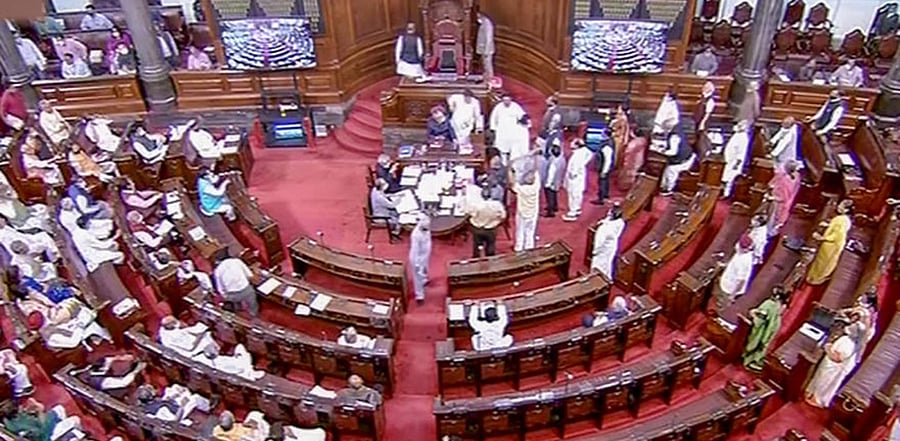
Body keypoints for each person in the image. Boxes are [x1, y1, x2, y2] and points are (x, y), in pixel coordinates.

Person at [804, 320, 866, 408]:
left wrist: (828, 348)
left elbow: (838, 358)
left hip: (833, 367)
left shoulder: (850, 344)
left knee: (825, 382)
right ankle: (812, 393)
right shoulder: (845, 338)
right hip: (828, 363)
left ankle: (818, 399)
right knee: (819, 378)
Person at [806, 199, 853, 285]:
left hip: (832, 245)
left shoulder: (843, 220)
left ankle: (817, 279)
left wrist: (822, 238)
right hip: (828, 244)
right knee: (819, 260)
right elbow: (835, 229)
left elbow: (837, 236)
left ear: (846, 210)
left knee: (823, 263)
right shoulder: (840, 218)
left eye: (841, 206)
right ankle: (813, 276)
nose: (839, 206)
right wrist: (828, 225)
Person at [742, 287, 786, 371]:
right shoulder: (776, 305)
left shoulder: (769, 304)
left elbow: (760, 319)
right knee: (763, 343)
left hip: (764, 329)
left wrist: (752, 313)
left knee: (759, 342)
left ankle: (751, 361)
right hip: (768, 329)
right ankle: (754, 361)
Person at [1, 398, 84, 441]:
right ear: (17, 409)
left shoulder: (7, 420)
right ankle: (78, 435)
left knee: (59, 408)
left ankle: (65, 431)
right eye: (20, 406)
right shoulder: (20, 428)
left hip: (42, 430)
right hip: (47, 437)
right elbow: (42, 433)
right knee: (75, 419)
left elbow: (27, 419)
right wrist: (40, 412)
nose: (22, 407)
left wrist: (30, 411)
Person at [213, 250, 259, 316]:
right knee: (252, 302)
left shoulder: (217, 270)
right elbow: (250, 276)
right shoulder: (237, 261)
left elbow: (220, 288)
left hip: (233, 295)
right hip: (246, 290)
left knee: (236, 303)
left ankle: (238, 311)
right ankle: (253, 314)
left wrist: (226, 297)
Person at [135, 383, 210, 424]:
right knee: (195, 398)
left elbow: (163, 402)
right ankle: (208, 407)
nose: (155, 390)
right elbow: (175, 420)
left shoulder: (148, 403)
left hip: (172, 406)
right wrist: (183, 405)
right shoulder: (159, 410)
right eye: (152, 390)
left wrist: (173, 397)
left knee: (175, 387)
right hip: (179, 413)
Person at [715, 234, 755, 309]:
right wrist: (725, 265)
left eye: (739, 245)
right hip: (727, 280)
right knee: (719, 297)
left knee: (723, 303)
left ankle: (719, 310)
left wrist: (732, 295)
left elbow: (742, 280)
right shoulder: (740, 252)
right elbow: (734, 262)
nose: (737, 245)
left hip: (730, 288)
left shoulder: (745, 261)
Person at [465, 186, 506, 257]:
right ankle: (490, 260)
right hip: (491, 229)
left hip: (478, 228)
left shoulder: (476, 205)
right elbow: (503, 216)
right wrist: (497, 221)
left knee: (477, 245)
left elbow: (470, 214)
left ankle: (476, 259)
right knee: (491, 244)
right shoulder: (497, 205)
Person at [590, 203, 627, 279]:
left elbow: (599, 242)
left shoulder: (604, 229)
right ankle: (608, 277)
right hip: (612, 246)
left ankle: (597, 279)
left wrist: (595, 251)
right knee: (608, 262)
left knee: (598, 265)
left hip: (602, 249)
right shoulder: (621, 222)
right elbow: (610, 221)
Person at [659, 121, 695, 195]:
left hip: (683, 161)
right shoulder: (677, 130)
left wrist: (660, 151)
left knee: (670, 170)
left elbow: (673, 152)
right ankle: (663, 186)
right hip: (687, 156)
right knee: (666, 168)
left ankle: (668, 189)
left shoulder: (674, 137)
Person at [510, 167, 540, 252]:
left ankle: (519, 247)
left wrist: (512, 172)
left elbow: (513, 184)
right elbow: (537, 176)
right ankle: (529, 246)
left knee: (520, 230)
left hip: (522, 213)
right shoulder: (536, 187)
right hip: (533, 212)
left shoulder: (521, 189)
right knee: (530, 230)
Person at [77, 354, 144, 393]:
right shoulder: (98, 381)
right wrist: (137, 370)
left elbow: (107, 360)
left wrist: (121, 358)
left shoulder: (91, 366)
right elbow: (124, 383)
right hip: (106, 388)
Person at [767, 160, 801, 235]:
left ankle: (771, 231)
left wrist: (772, 197)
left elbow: (782, 197)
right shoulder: (797, 177)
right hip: (785, 201)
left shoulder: (785, 180)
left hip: (779, 203)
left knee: (773, 219)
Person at [562, 139, 592, 222]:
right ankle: (577, 208)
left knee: (573, 194)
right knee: (578, 194)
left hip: (574, 177)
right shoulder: (584, 151)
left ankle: (573, 212)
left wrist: (573, 174)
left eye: (573, 143)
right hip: (578, 176)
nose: (570, 144)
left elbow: (575, 167)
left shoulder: (577, 155)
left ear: (577, 145)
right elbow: (590, 154)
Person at [489, 94, 526, 164]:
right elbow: (493, 118)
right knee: (502, 147)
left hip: (512, 131)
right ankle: (503, 162)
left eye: (508, 100)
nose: (506, 102)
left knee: (513, 148)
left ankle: (512, 162)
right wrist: (493, 128)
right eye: (504, 101)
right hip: (501, 131)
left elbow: (522, 116)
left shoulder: (516, 107)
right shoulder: (498, 107)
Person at [199, 343, 264, 380]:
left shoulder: (214, 361)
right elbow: (240, 366)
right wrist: (240, 356)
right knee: (241, 349)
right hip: (239, 369)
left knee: (239, 347)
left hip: (234, 367)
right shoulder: (224, 360)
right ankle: (250, 372)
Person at [721, 120, 750, 198]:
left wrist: (737, 163)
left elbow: (741, 152)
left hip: (734, 162)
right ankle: (723, 192)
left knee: (731, 178)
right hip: (729, 160)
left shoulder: (743, 137)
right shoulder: (737, 134)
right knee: (725, 177)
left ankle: (726, 194)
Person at [408, 215, 432, 305]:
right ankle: (419, 295)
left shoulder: (426, 228)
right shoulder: (416, 235)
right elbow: (415, 251)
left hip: (425, 255)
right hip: (417, 258)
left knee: (426, 270)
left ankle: (424, 280)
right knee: (417, 277)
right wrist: (418, 265)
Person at [541, 141, 566, 218]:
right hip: (558, 179)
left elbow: (551, 173)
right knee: (554, 194)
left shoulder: (553, 162)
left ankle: (550, 211)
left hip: (552, 181)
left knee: (550, 195)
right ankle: (555, 206)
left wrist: (547, 184)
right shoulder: (562, 159)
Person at [593, 131, 615, 205]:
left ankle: (601, 198)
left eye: (602, 134)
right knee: (604, 182)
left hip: (604, 168)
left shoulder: (607, 146)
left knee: (602, 183)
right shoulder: (606, 143)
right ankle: (604, 196)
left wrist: (604, 171)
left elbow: (608, 159)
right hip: (603, 167)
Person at [475, 13, 495, 79]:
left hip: (487, 49)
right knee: (484, 63)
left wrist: (486, 50)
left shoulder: (487, 24)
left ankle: (490, 78)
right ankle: (486, 76)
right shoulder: (483, 23)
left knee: (488, 64)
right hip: (483, 48)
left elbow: (488, 38)